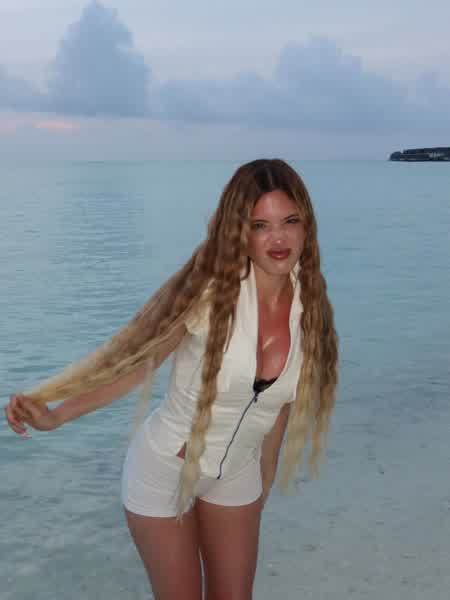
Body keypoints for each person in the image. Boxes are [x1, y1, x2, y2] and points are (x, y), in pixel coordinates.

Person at [5, 158, 338, 600]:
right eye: (261, 226)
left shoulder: (310, 306)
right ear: (239, 232)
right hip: (165, 470)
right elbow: (135, 365)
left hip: (237, 475)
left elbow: (278, 407)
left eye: (289, 221)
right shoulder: (209, 294)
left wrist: (264, 480)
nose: (278, 239)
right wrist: (57, 416)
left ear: (306, 225)